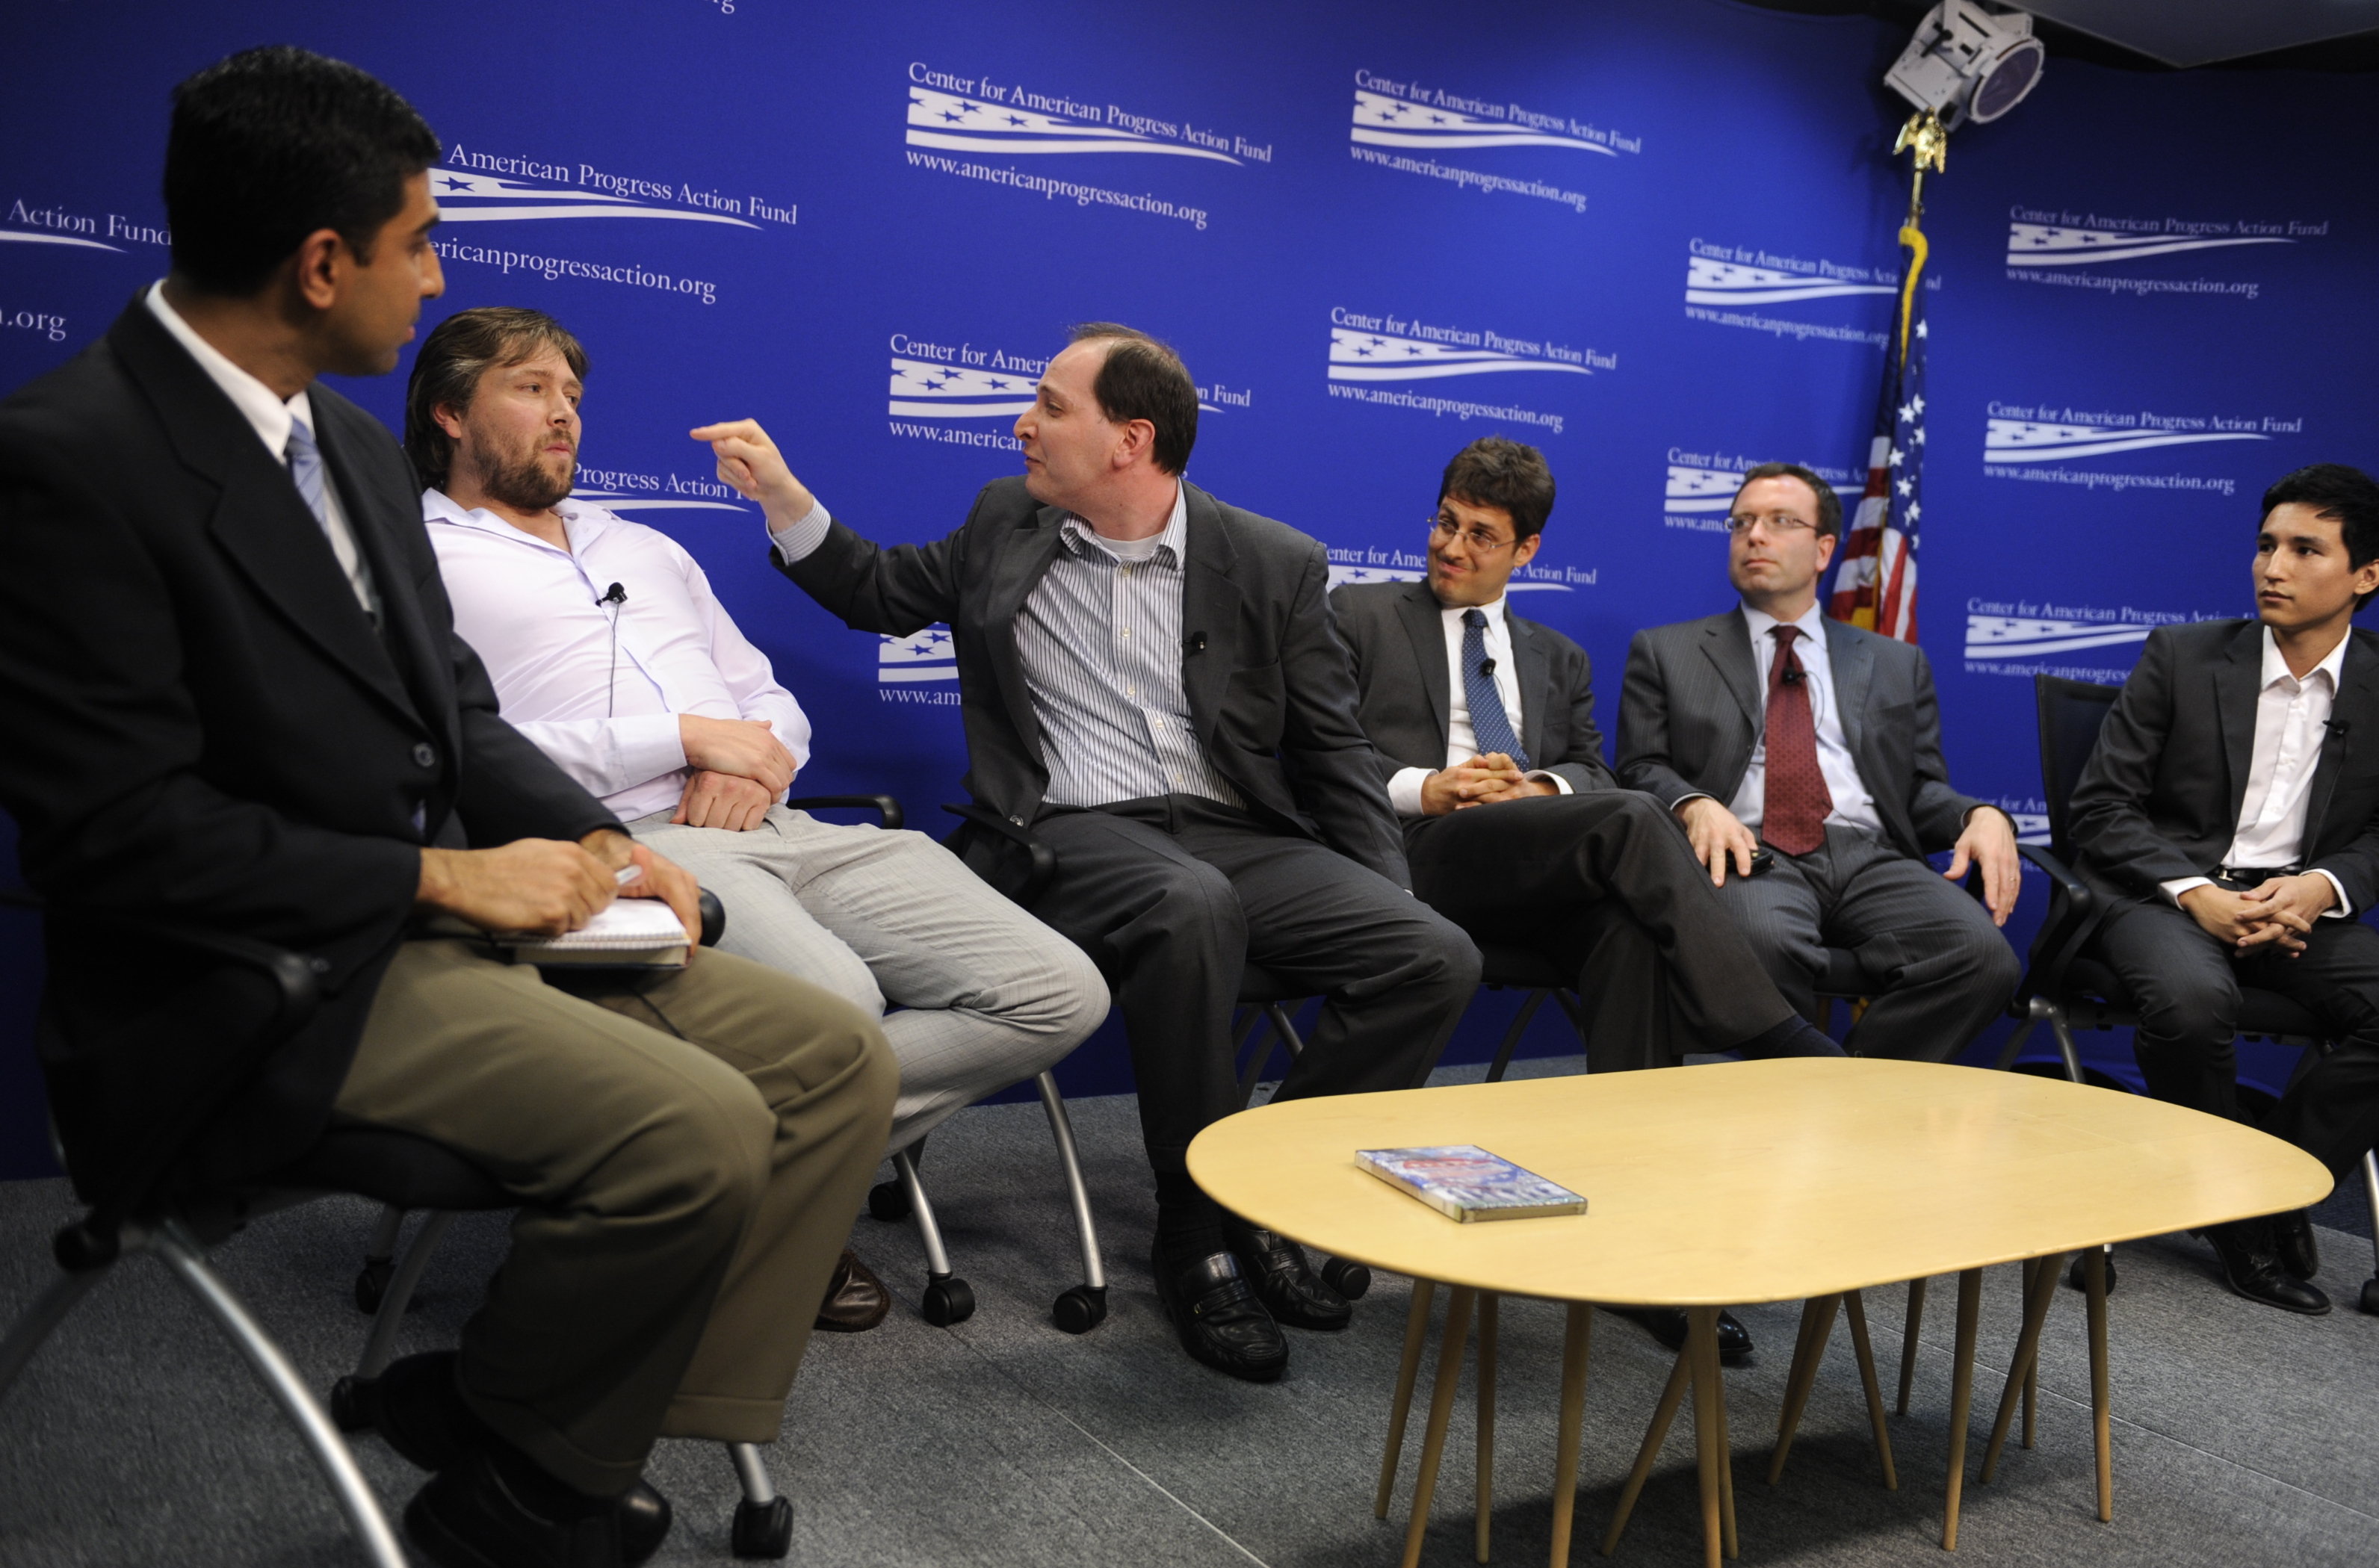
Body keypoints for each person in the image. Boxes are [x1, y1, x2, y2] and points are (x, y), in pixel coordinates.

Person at [0, 49, 894, 1568]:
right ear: (321, 261)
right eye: (420, 241)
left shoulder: (340, 441)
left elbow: (461, 724)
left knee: (831, 1058)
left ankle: (539, 1426)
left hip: (437, 933)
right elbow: (116, 842)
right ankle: (528, 1484)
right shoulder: (68, 462)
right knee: (697, 1125)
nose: (437, 276)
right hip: (247, 986)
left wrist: (604, 845)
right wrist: (451, 882)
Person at [693, 324, 1482, 1382]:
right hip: (1064, 833)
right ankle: (1193, 1234)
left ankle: (1263, 1194)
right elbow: (880, 592)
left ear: (1130, 440)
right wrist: (783, 494)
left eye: (1053, 405)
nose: (1023, 421)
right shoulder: (1002, 521)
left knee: (1434, 952)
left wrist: (1377, 897)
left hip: (1234, 829)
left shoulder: (1274, 561)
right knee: (1190, 906)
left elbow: (1333, 750)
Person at [406, 306, 1110, 1330]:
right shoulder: (415, 556)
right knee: (838, 1009)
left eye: (573, 395)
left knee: (1058, 991)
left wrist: (757, 757)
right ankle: (774, 1200)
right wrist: (685, 738)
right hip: (617, 845)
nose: (565, 414)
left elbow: (766, 694)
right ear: (449, 413)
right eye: (531, 389)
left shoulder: (640, 545)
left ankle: (751, 1193)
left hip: (782, 821)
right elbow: (452, 746)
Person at [1334, 437, 1854, 1363]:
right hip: (1412, 855)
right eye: (1445, 523)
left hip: (1526, 862)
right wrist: (1430, 784)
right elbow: (1321, 749)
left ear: (1525, 550)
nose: (1452, 547)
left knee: (1627, 929)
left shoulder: (1556, 655)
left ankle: (1639, 1253)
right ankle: (1779, 1038)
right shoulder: (1362, 613)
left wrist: (1537, 790)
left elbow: (1585, 766)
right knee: (1628, 821)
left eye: (1481, 536)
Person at [2070, 463, 2379, 1315]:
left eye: (2303, 549)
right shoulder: (2183, 654)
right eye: (2265, 545)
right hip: (2159, 898)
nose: (2271, 566)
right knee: (2192, 997)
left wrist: (2320, 885)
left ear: (2365, 576)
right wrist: (2193, 890)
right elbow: (2099, 807)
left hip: (2293, 914)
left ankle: (2276, 1183)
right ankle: (2241, 1222)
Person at [1618, 462, 2022, 1065]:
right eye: (1742, 522)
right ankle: (1799, 1115)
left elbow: (1918, 789)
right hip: (1749, 851)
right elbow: (1639, 767)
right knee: (1760, 941)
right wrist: (1694, 803)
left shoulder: (1893, 662)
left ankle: (1850, 1104)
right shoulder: (1668, 651)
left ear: (1824, 549)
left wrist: (1982, 815)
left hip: (1870, 858)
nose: (1755, 535)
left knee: (1980, 957)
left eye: (1781, 522)